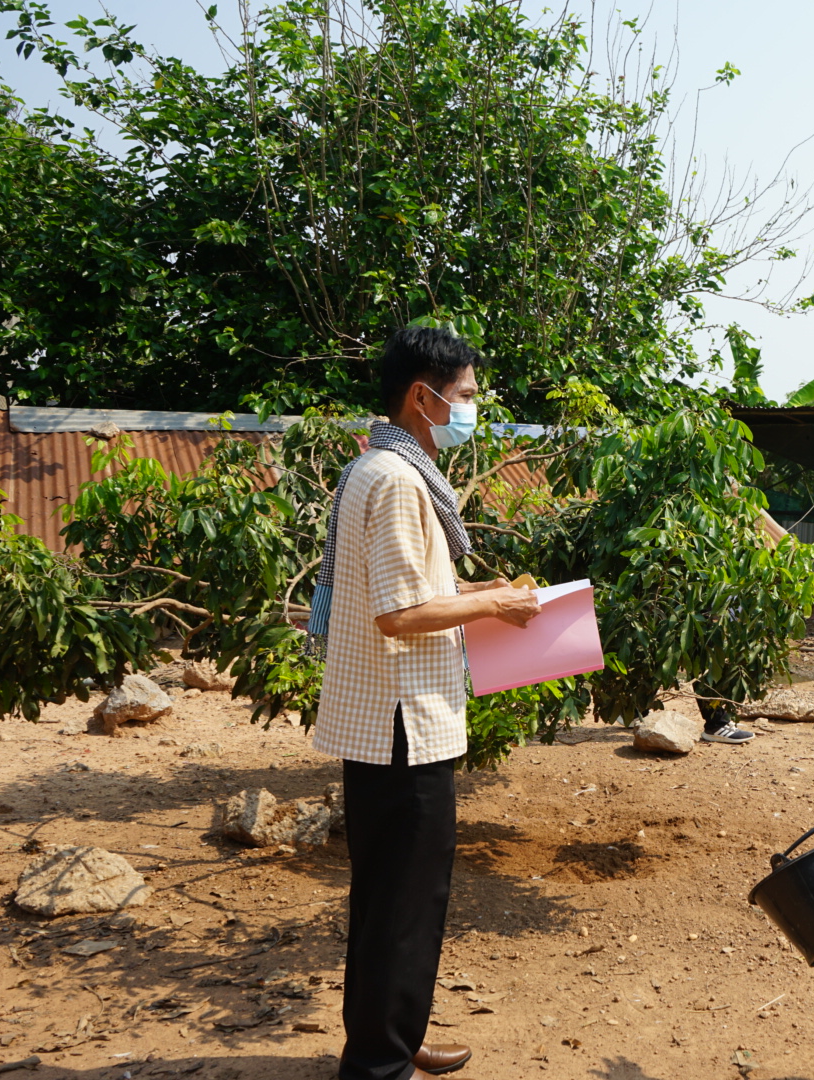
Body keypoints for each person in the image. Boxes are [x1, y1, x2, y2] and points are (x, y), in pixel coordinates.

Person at [312, 326, 542, 1080]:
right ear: (424, 396)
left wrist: (481, 592)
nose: (474, 409)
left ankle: (392, 1042)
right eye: (467, 395)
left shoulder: (378, 469)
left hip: (389, 723)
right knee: (402, 908)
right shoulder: (399, 481)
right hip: (402, 725)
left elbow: (412, 592)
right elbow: (400, 615)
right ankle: (381, 1064)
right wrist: (493, 611)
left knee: (393, 903)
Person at [691, 500, 791, 744]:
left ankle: (632, 707)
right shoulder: (712, 500)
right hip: (708, 586)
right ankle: (717, 724)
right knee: (710, 651)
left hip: (724, 585)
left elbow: (783, 542)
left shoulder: (741, 508)